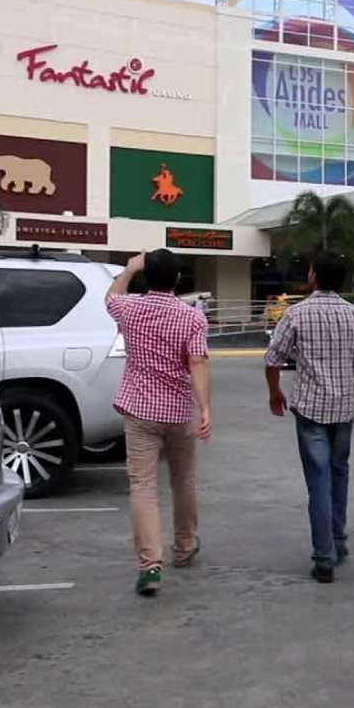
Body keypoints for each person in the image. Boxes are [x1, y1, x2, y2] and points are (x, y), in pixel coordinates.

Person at [264, 253, 354, 584]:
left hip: (310, 410)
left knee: (318, 480)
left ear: (314, 277)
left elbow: (272, 359)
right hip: (344, 410)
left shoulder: (296, 314)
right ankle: (338, 541)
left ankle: (324, 558)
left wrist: (274, 392)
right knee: (340, 473)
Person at [105, 250, 212, 597]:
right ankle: (184, 546)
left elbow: (110, 297)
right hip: (179, 411)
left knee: (143, 486)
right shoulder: (192, 318)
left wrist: (129, 268)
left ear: (146, 277)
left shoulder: (130, 308)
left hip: (140, 411)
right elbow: (197, 363)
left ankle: (151, 565)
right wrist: (205, 407)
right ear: (178, 279)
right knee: (183, 480)